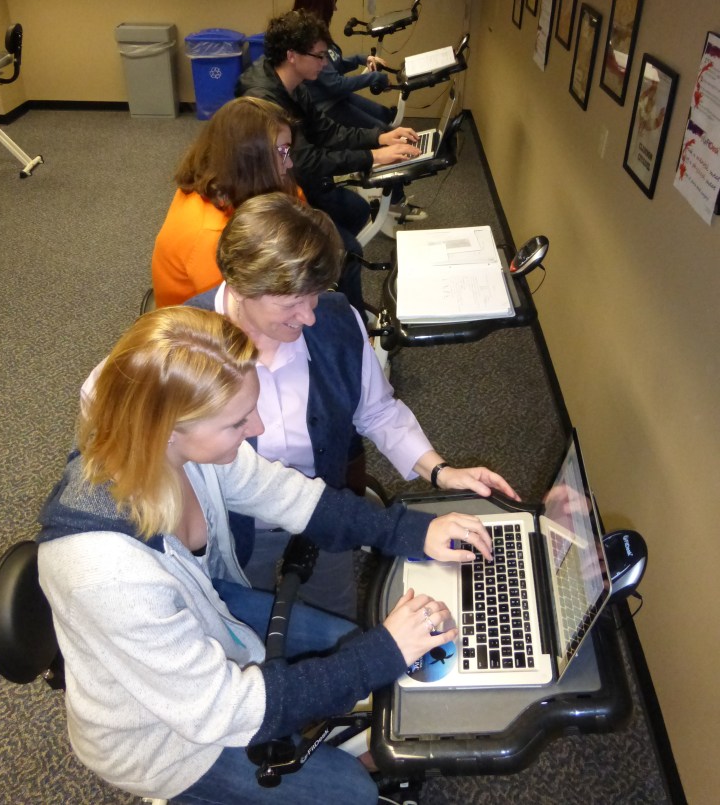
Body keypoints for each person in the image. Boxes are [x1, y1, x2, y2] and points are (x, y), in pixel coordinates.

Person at [39, 304, 496, 805]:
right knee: (352, 793)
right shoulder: (105, 576)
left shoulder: (170, 452)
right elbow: (224, 711)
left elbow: (292, 497)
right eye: (238, 422)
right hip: (166, 741)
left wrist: (409, 532)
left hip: (210, 615)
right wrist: (381, 655)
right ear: (170, 429)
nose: (256, 426)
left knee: (348, 642)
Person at [185, 193, 520, 619]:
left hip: (330, 516)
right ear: (239, 286)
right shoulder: (184, 344)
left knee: (337, 623)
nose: (309, 317)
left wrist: (439, 470)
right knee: (246, 634)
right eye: (291, 303)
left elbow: (377, 410)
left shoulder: (336, 318)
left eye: (314, 296)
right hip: (234, 530)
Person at [235, 10, 425, 274]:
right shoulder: (265, 103)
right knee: (347, 254)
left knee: (358, 211)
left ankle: (325, 282)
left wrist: (379, 137)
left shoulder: (294, 81)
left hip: (297, 178)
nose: (325, 63)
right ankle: (328, 289)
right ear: (292, 56)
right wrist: (373, 157)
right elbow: (305, 162)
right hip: (277, 192)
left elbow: (327, 131)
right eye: (319, 56)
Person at [151, 96, 298, 308]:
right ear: (250, 158)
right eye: (282, 151)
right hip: (202, 328)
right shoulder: (211, 236)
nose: (290, 162)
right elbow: (238, 311)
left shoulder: (218, 181)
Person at [292, 0, 396, 132]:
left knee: (386, 115)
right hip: (324, 106)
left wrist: (361, 58)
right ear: (322, 4)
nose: (335, 7)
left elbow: (333, 64)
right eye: (333, 1)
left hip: (334, 97)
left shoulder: (316, 29)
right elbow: (336, 85)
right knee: (383, 132)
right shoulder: (307, 36)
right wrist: (374, 77)